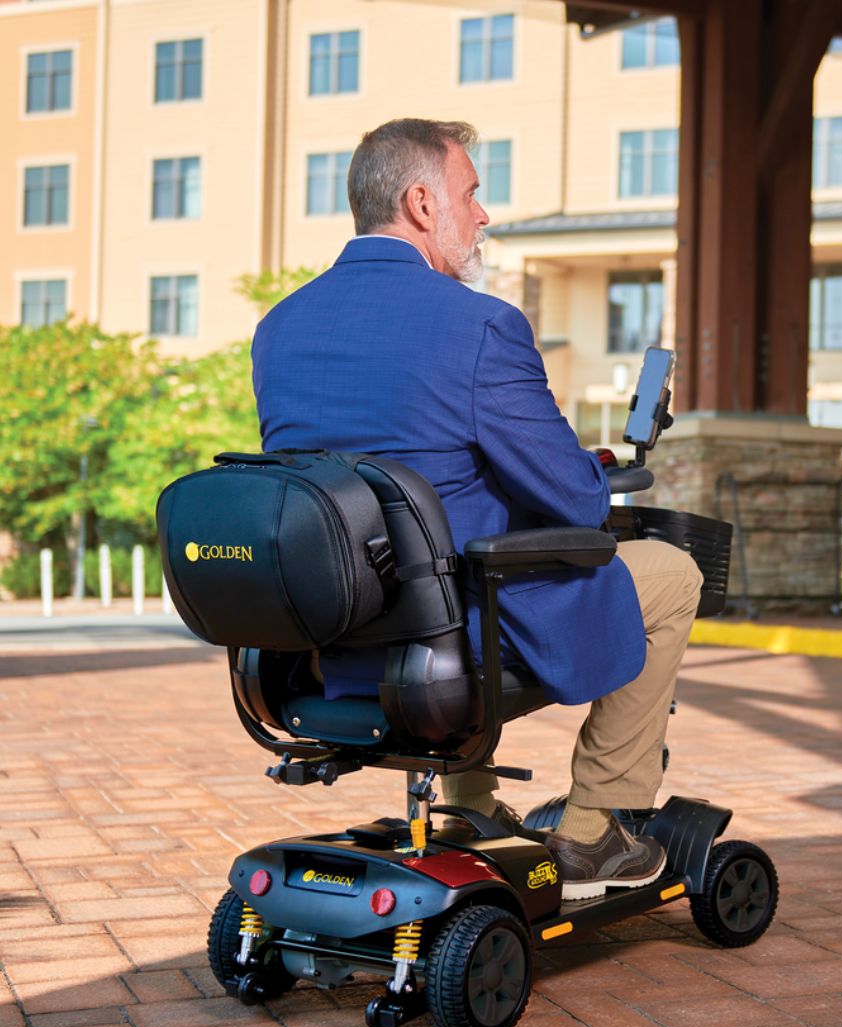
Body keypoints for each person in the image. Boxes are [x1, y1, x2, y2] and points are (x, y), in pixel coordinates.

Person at [252, 119, 702, 900]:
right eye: (472, 194)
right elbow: (570, 498)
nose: (483, 216)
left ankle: (468, 805)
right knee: (671, 572)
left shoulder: (279, 327)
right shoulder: (482, 324)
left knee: (444, 555)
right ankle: (594, 828)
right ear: (422, 203)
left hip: (331, 629)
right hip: (458, 629)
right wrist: (590, 474)